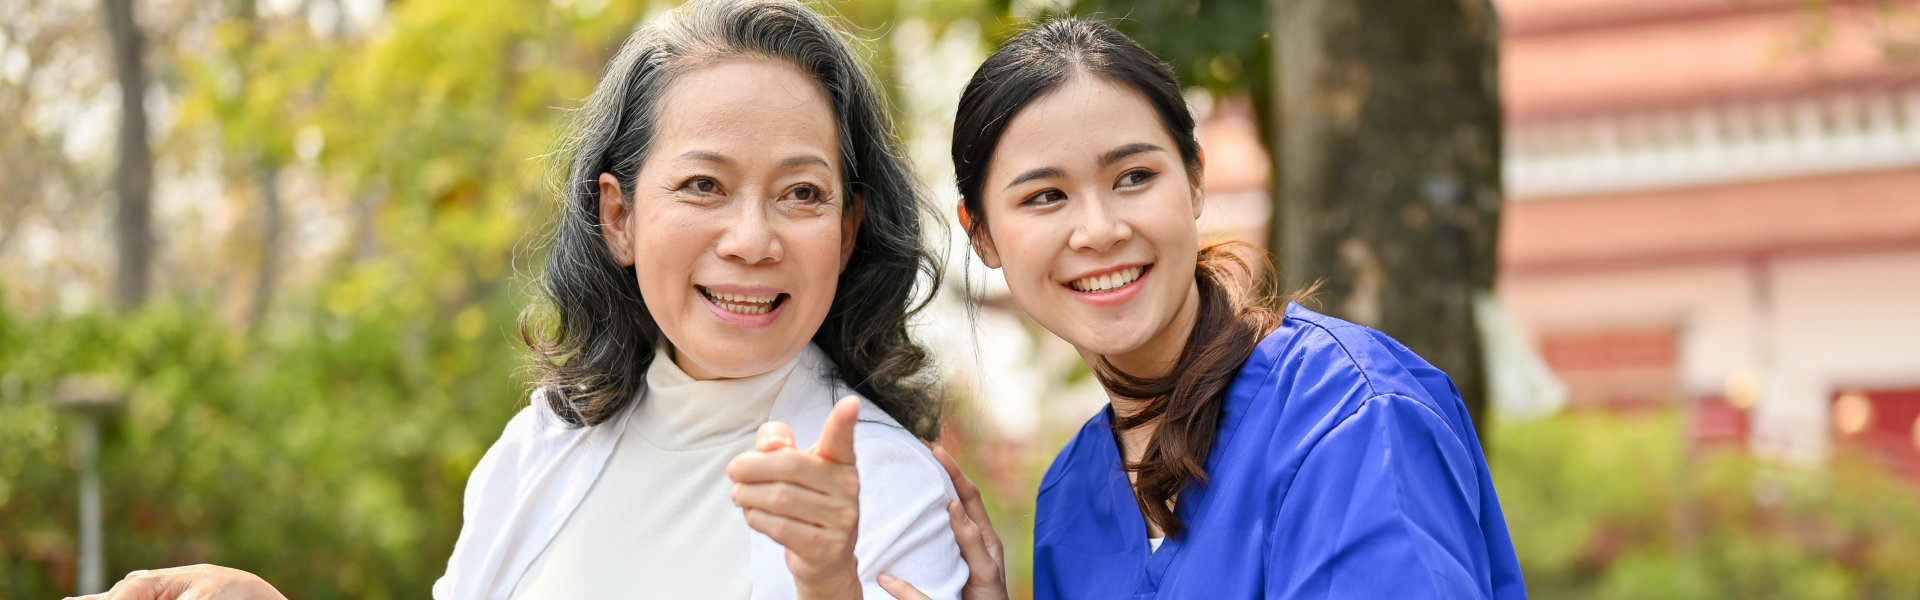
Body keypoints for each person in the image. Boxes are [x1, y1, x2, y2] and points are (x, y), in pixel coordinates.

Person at [70, 2, 967, 599]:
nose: (751, 238)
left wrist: (829, 586)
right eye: (703, 185)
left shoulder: (888, 493)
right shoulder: (542, 447)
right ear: (618, 216)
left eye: (802, 194)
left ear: (848, 232)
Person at [878, 17, 1526, 599]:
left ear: (1194, 180)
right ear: (983, 234)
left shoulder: (1348, 417)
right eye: (1046, 196)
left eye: (1134, 177)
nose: (1099, 230)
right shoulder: (1072, 501)